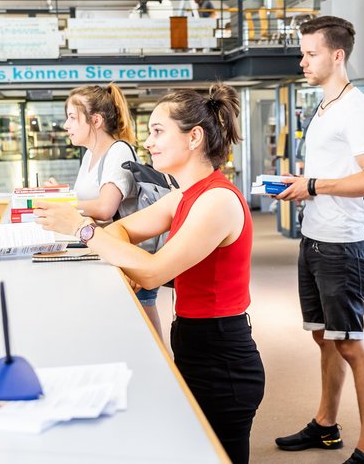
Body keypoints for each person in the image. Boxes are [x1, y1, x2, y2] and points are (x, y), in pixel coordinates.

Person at [33, 84, 264, 464]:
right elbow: (119, 231)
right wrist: (121, 256)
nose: (148, 141)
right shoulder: (185, 195)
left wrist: (81, 228)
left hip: (224, 360)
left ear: (194, 137)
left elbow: (154, 272)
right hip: (194, 342)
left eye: (158, 131)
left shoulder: (218, 201)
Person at [271, 15, 364, 464]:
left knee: (350, 344)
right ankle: (325, 425)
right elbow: (336, 173)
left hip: (342, 245)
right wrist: (302, 182)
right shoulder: (324, 107)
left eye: (310, 53)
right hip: (314, 239)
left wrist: (314, 185)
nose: (302, 60)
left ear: (336, 55)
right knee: (325, 337)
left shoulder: (356, 109)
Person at [47, 83, 162, 337]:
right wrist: (61, 196)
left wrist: (63, 206)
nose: (66, 125)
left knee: (144, 331)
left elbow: (104, 207)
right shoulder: (90, 155)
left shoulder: (117, 151)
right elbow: (86, 199)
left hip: (129, 256)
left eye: (72, 118)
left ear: (95, 120)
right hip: (107, 251)